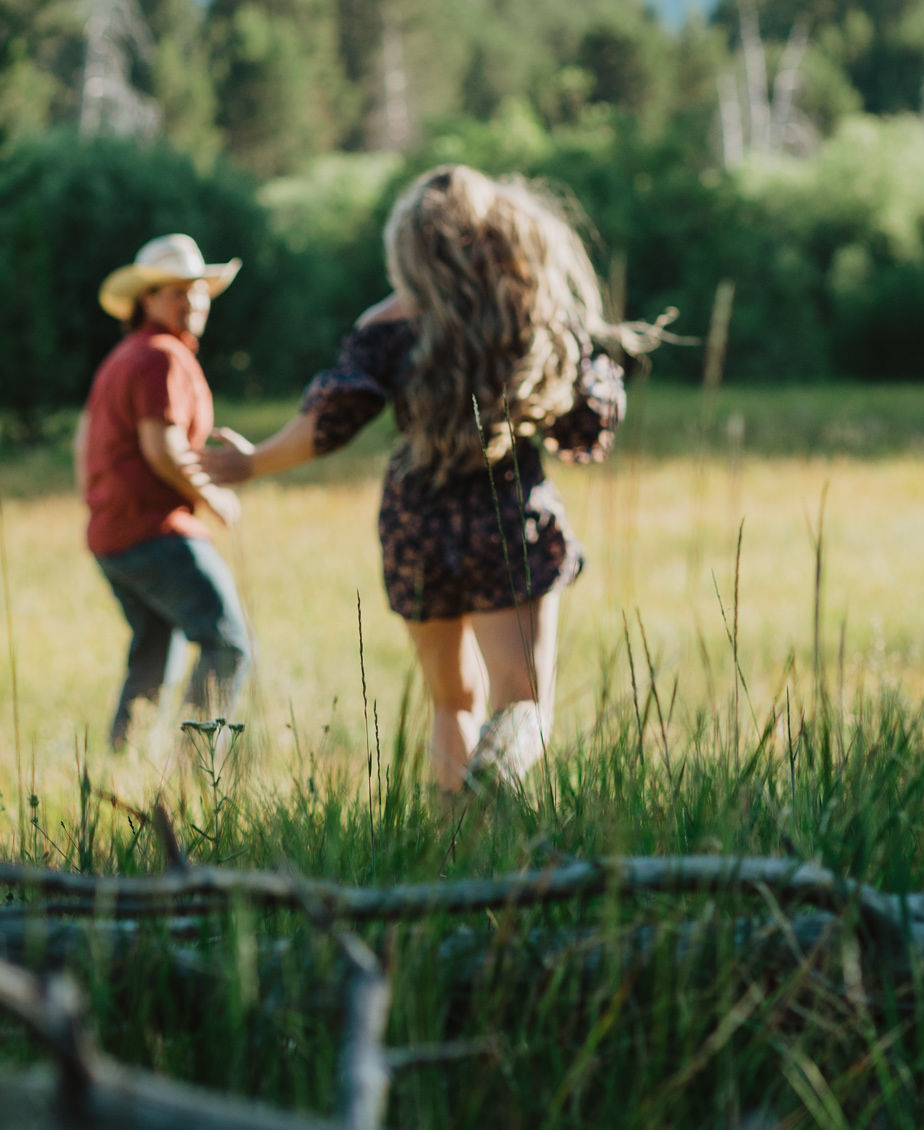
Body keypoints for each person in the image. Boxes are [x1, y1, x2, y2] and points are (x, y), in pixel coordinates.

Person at [209, 166, 662, 791]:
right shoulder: (528, 312)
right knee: (523, 700)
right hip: (506, 514)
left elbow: (329, 421)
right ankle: (498, 787)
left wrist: (252, 462)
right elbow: (587, 421)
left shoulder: (387, 324)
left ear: (408, 247)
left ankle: (451, 853)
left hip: (415, 522)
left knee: (452, 701)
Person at [77, 233, 254, 754]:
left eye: (198, 290)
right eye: (177, 290)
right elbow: (162, 448)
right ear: (146, 299)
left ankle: (121, 763)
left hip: (111, 534)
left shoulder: (124, 356)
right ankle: (197, 776)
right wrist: (215, 496)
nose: (193, 300)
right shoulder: (161, 357)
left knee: (153, 653)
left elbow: (82, 438)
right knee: (229, 644)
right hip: (154, 531)